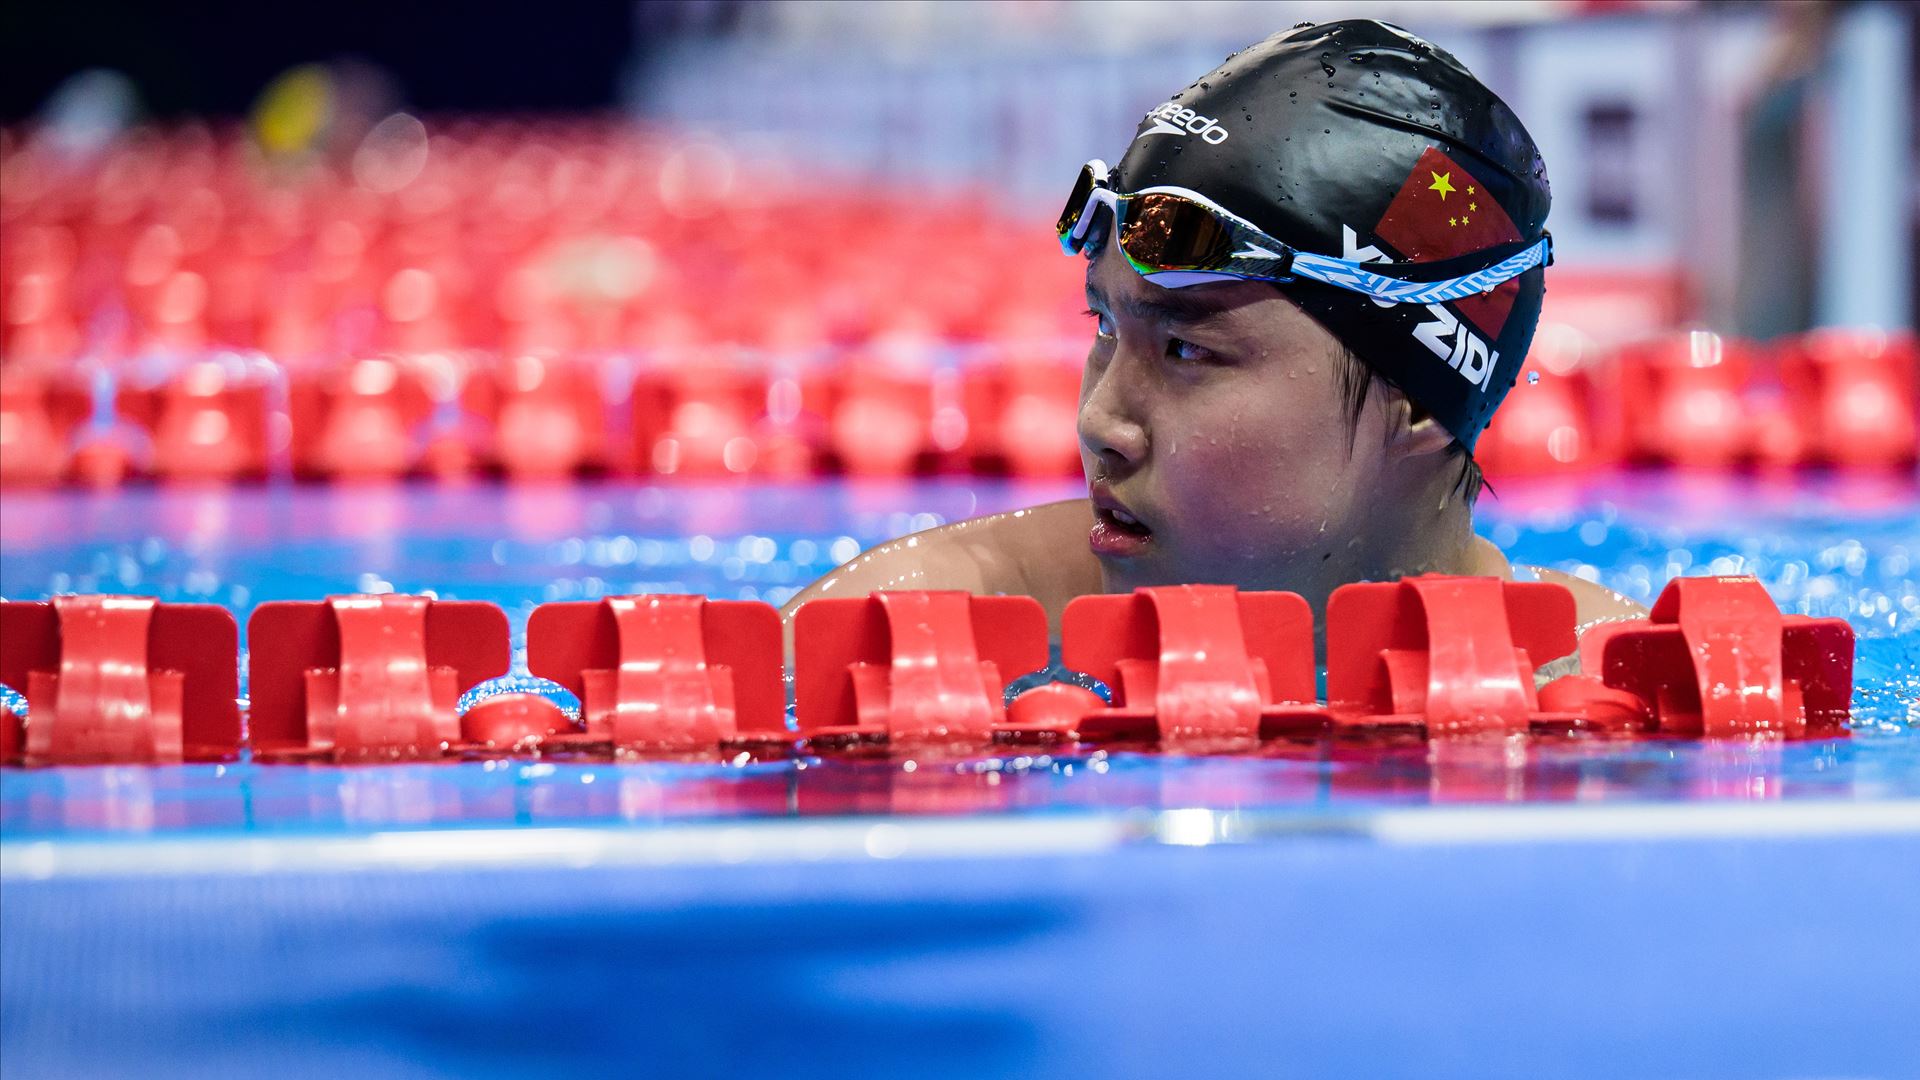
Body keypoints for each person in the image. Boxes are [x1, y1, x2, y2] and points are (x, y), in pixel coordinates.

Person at [782, 19, 1642, 663]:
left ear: (1415, 398)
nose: (1098, 420)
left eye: (1187, 352)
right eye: (1104, 328)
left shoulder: (1604, 678)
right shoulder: (911, 630)